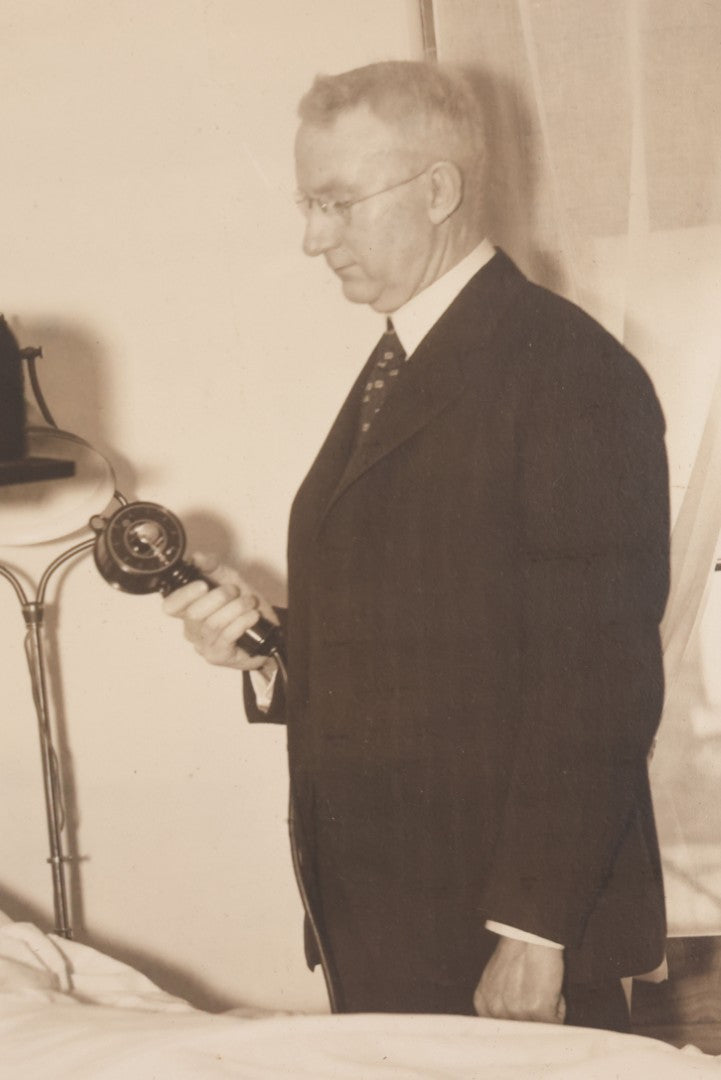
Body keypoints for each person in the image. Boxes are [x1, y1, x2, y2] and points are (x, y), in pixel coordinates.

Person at [164, 60, 670, 1031]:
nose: (313, 238)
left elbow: (596, 672)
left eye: (337, 203)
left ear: (437, 190)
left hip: (499, 932)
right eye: (309, 205)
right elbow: (430, 630)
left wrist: (534, 930)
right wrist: (266, 643)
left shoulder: (564, 370)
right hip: (387, 917)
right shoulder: (406, 362)